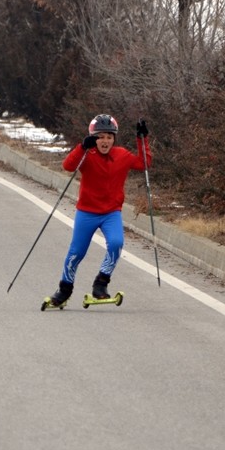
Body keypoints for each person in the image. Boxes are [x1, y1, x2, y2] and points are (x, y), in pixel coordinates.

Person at [46, 115, 152, 307]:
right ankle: (64, 290)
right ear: (93, 137)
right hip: (86, 213)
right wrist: (82, 147)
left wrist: (142, 139)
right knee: (76, 253)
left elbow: (143, 163)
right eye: (100, 137)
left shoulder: (122, 155)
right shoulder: (88, 155)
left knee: (116, 243)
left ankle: (101, 283)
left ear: (114, 139)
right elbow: (68, 166)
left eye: (109, 137)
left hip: (111, 213)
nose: (105, 141)